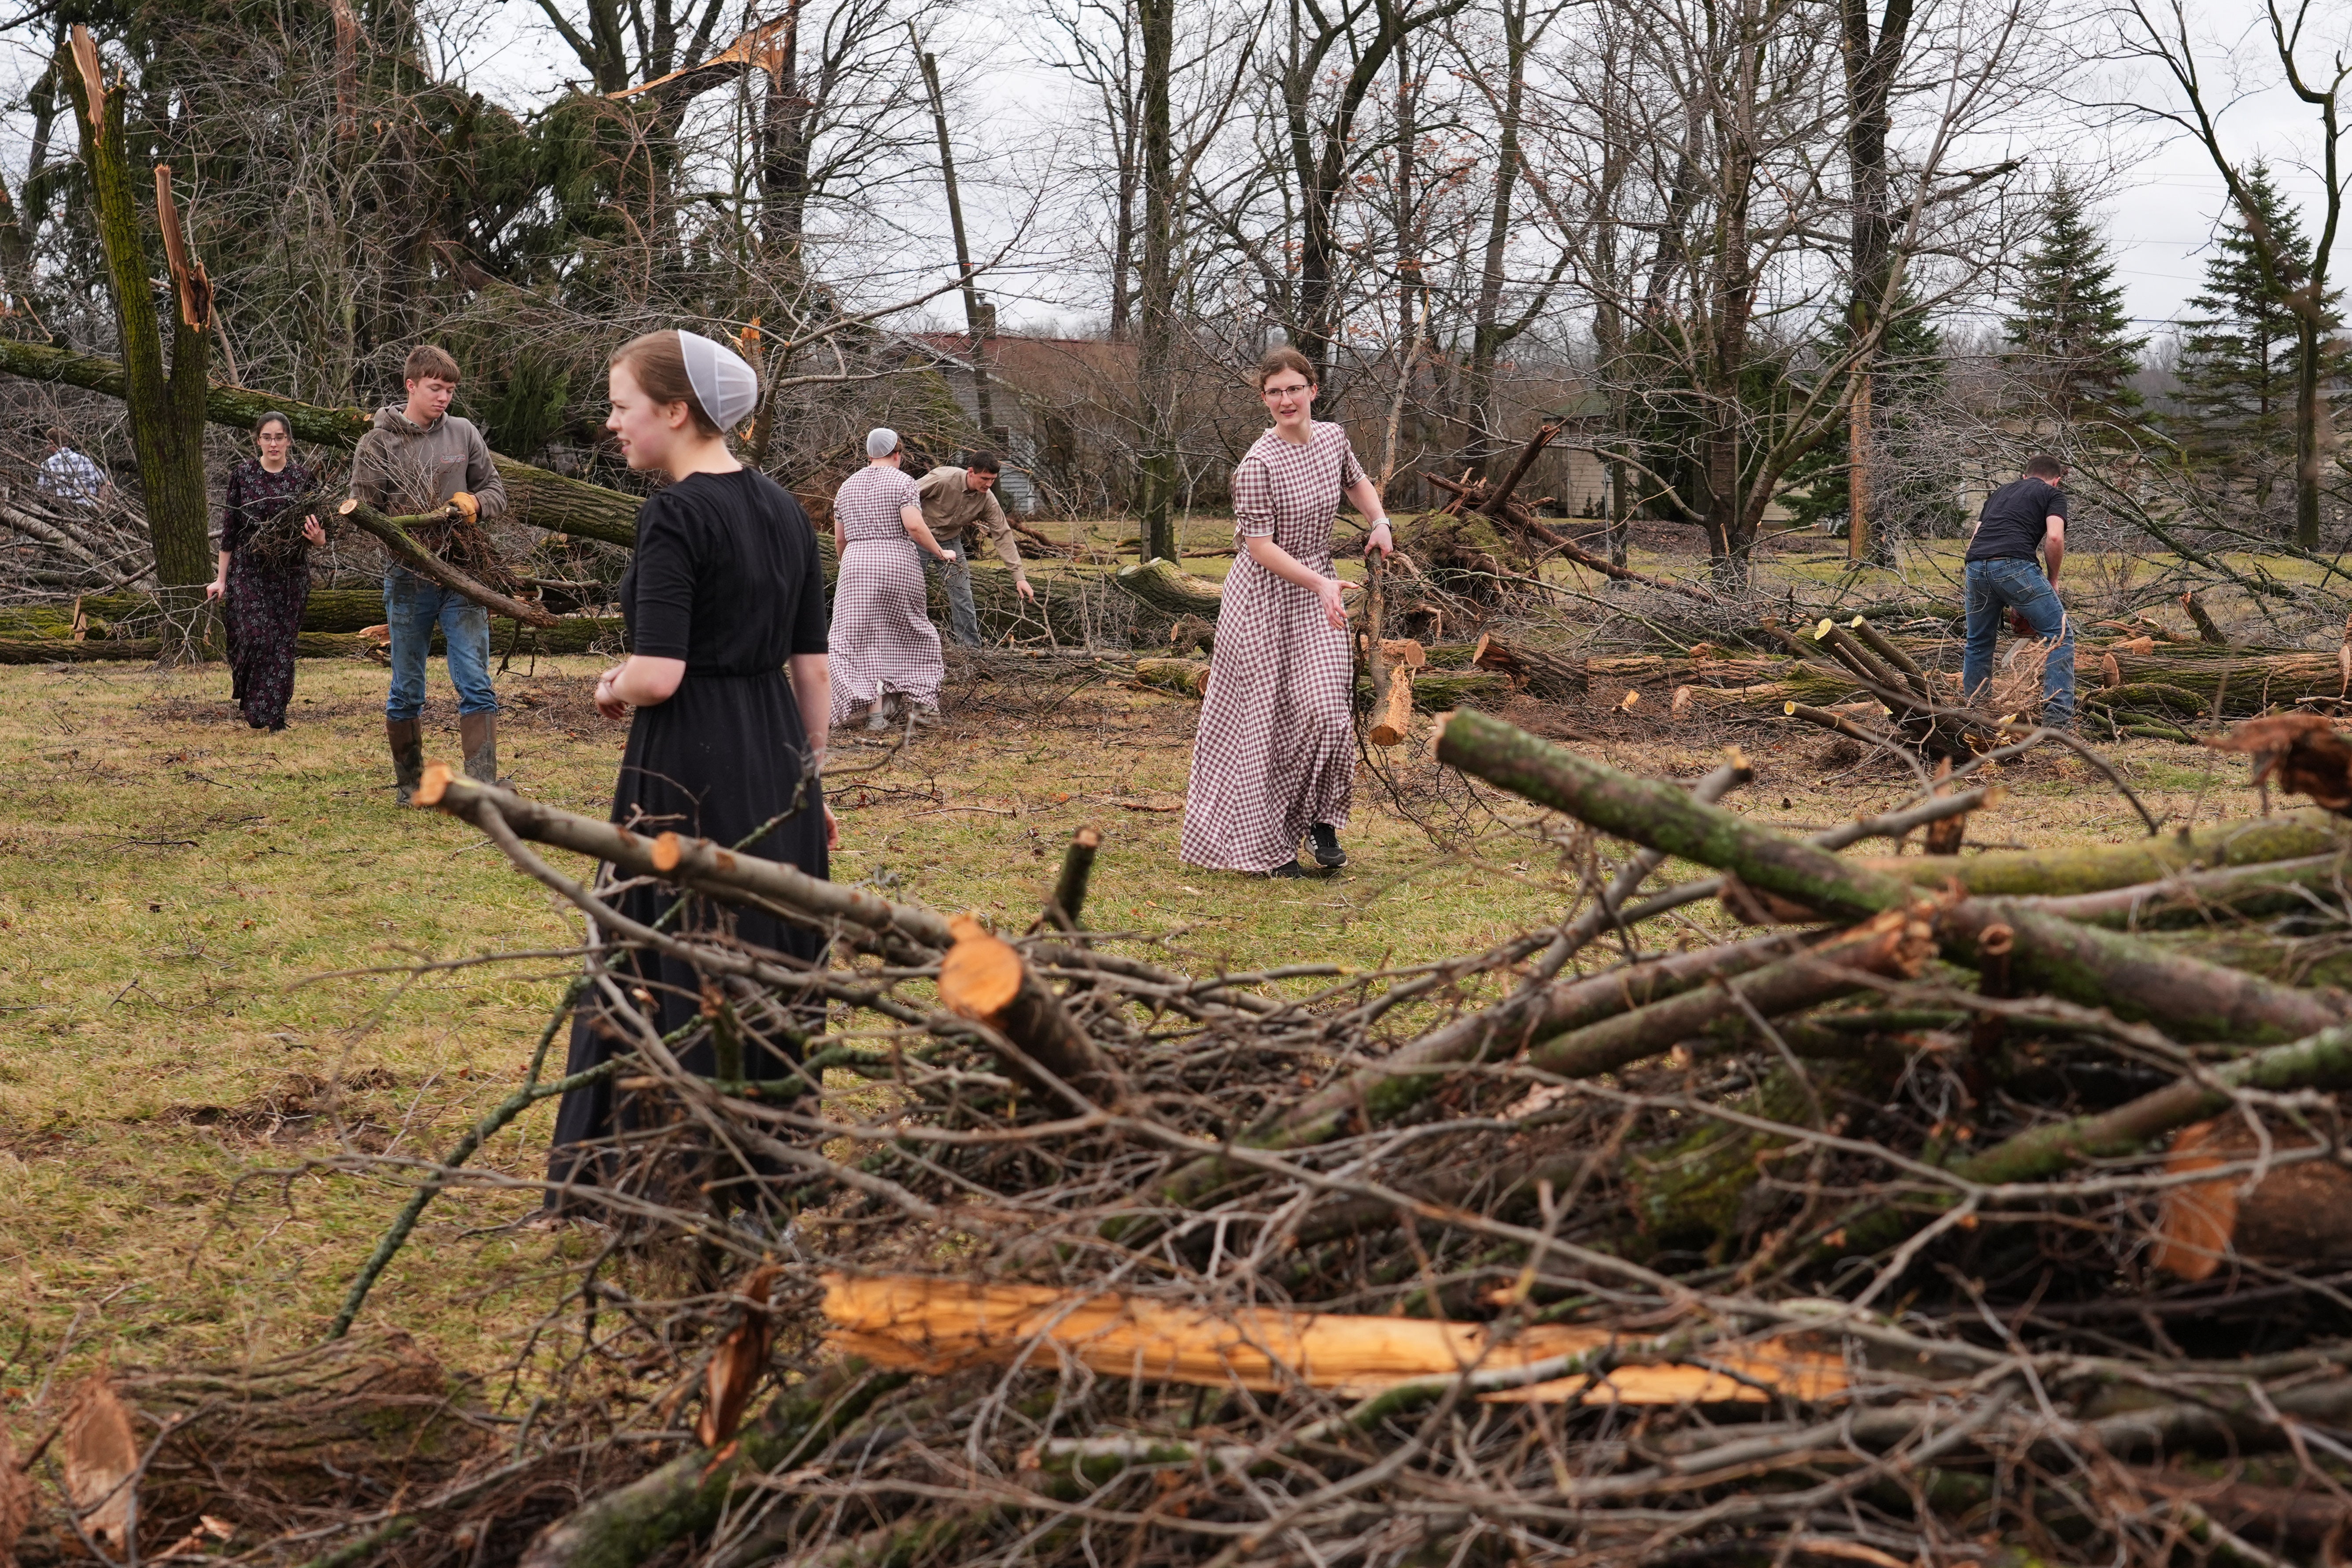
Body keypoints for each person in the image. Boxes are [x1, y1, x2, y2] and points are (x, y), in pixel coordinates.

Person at [544, 328, 836, 1217]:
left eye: (623, 405)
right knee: (767, 956)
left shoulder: (673, 514)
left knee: (662, 954)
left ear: (675, 411)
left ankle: (647, 1177)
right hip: (778, 757)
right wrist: (810, 786)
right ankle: (765, 1168)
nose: (612, 422)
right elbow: (814, 669)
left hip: (687, 766)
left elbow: (659, 672)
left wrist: (609, 683)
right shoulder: (786, 509)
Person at [1181, 347, 1392, 878]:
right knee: (1265, 724)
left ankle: (1320, 819)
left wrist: (1380, 520)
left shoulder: (1333, 438)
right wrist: (1321, 581)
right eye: (1274, 392)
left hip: (1317, 589)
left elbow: (1355, 480)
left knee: (1326, 711)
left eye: (1294, 388)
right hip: (1262, 599)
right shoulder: (1257, 465)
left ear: (1313, 390)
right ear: (1264, 400)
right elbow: (1259, 548)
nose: (1285, 399)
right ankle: (1267, 849)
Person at [351, 344, 510, 802]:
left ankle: (483, 789)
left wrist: (476, 503)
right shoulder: (378, 443)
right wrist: (403, 535)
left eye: (450, 390)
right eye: (435, 389)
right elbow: (362, 512)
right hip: (407, 578)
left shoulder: (462, 433)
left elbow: (495, 488)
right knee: (407, 687)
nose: (444, 398)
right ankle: (411, 787)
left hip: (464, 573)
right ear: (411, 385)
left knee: (476, 683)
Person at [830, 427, 955, 730]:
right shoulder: (904, 481)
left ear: (870, 455)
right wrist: (939, 551)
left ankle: (866, 712)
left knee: (856, 638)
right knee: (913, 630)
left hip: (855, 565)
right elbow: (913, 526)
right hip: (895, 562)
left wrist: (848, 565)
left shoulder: (847, 486)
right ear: (898, 454)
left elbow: (840, 540)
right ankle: (924, 705)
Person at [206, 413, 325, 731]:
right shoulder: (242, 476)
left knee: (282, 644)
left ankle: (275, 716)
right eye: (267, 437)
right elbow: (229, 531)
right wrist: (221, 579)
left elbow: (322, 531)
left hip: (290, 573)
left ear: (289, 440)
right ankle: (254, 700)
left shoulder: (303, 479)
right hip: (248, 570)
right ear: (257, 439)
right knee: (254, 637)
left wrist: (319, 539)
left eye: (280, 437)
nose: (274, 443)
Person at [1961, 453, 2074, 731]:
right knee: (2059, 635)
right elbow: (2056, 537)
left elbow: (1975, 538)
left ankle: (1976, 717)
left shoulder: (1998, 493)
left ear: (2025, 475)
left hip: (1975, 564)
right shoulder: (2052, 495)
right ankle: (2057, 722)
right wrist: (2052, 579)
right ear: (2057, 480)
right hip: (2015, 563)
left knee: (1978, 641)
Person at [916, 451, 1035, 647]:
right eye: (985, 478)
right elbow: (903, 497)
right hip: (918, 539)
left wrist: (1019, 577)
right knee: (910, 592)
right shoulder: (944, 479)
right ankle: (905, 645)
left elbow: (1003, 534)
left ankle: (969, 649)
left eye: (993, 480)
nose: (988, 484)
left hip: (950, 543)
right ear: (971, 472)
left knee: (963, 595)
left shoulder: (987, 499)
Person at [38, 430, 113, 510]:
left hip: (62, 512)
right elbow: (107, 484)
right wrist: (100, 507)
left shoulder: (47, 465)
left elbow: (41, 493)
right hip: (90, 511)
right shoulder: (86, 460)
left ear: (51, 442)